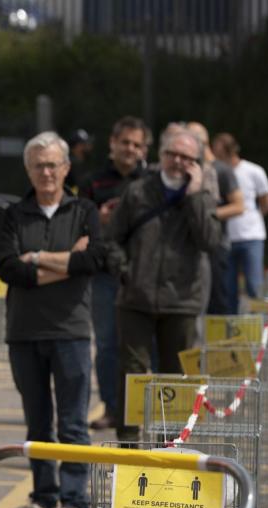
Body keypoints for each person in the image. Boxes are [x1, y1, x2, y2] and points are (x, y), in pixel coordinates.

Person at [0, 131, 105, 508]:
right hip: (24, 332)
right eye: (38, 165)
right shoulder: (15, 213)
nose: (46, 172)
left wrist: (38, 259)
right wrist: (64, 263)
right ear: (28, 169)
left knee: (73, 422)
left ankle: (75, 501)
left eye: (53, 164)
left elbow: (94, 260)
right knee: (38, 422)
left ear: (66, 168)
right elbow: (8, 268)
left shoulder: (84, 210)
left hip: (71, 331)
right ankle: (43, 498)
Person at [109, 128, 223, 440]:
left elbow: (210, 241)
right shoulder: (138, 192)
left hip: (182, 301)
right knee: (132, 373)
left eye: (187, 158)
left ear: (196, 163)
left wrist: (195, 196)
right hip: (136, 298)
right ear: (161, 156)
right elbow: (112, 239)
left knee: (177, 379)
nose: (178, 162)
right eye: (173, 154)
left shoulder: (201, 197)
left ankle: (169, 444)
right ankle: (129, 444)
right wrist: (124, 271)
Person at [79, 116, 150, 430]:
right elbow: (78, 225)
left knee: (144, 349)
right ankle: (111, 407)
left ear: (144, 149)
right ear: (112, 143)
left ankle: (142, 412)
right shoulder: (92, 182)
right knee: (107, 345)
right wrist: (100, 218)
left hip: (144, 275)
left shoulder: (152, 182)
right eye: (125, 142)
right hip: (105, 275)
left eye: (136, 144)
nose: (130, 149)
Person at [187, 122, 244, 315]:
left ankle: (219, 344)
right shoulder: (189, 168)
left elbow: (239, 206)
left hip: (217, 245)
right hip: (192, 245)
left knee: (218, 299)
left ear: (203, 142)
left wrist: (208, 216)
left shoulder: (222, 170)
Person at [212, 132, 268, 312]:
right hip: (226, 238)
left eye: (217, 150)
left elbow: (266, 204)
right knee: (228, 290)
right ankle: (231, 334)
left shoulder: (254, 171)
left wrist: (251, 219)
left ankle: (259, 329)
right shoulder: (215, 172)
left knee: (254, 286)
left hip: (251, 236)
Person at [65, 128, 93, 194]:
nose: (88, 146)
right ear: (77, 146)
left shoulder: (83, 162)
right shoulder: (74, 163)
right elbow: (81, 186)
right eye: (84, 144)